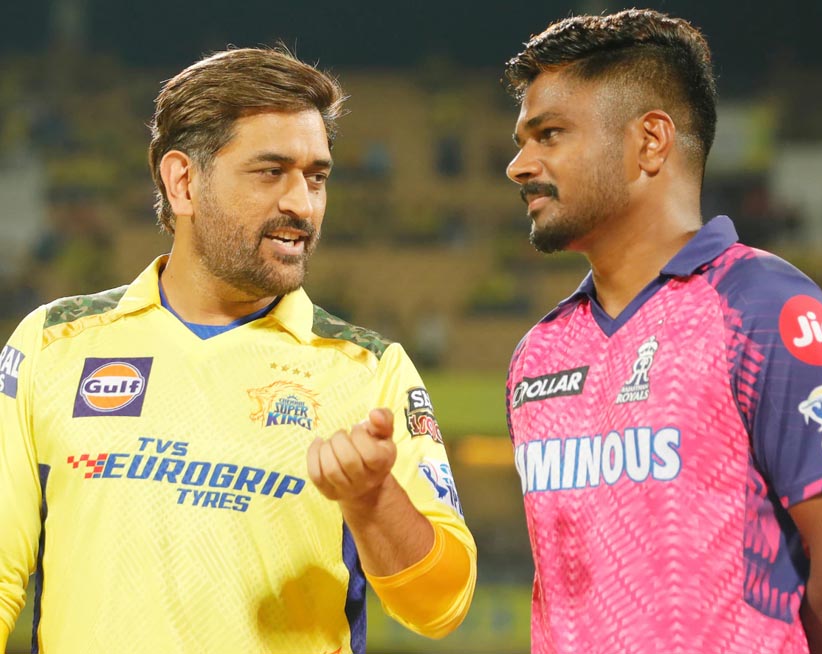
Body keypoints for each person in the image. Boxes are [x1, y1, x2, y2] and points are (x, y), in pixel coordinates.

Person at [0, 47, 476, 653]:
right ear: (183, 182)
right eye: (271, 172)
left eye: (316, 177)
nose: (302, 204)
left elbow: (442, 606)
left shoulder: (369, 370)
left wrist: (373, 499)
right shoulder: (53, 342)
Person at [502, 10, 822, 654]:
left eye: (549, 134)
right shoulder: (539, 354)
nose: (519, 165)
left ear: (651, 141)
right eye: (523, 141)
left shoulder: (764, 309)